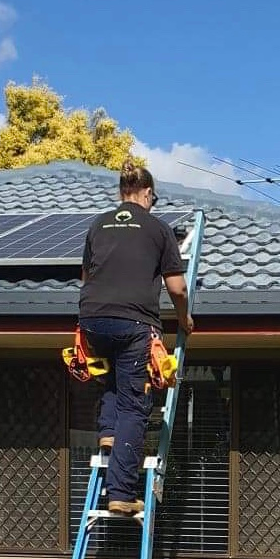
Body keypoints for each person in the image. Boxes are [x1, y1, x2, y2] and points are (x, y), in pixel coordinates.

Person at [79, 159, 194, 515]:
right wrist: (184, 317)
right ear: (146, 193)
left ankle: (108, 432)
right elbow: (176, 285)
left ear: (121, 193)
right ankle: (122, 493)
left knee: (113, 378)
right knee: (135, 404)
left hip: (93, 318)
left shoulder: (98, 225)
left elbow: (86, 278)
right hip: (133, 323)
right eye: (153, 198)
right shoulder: (157, 229)